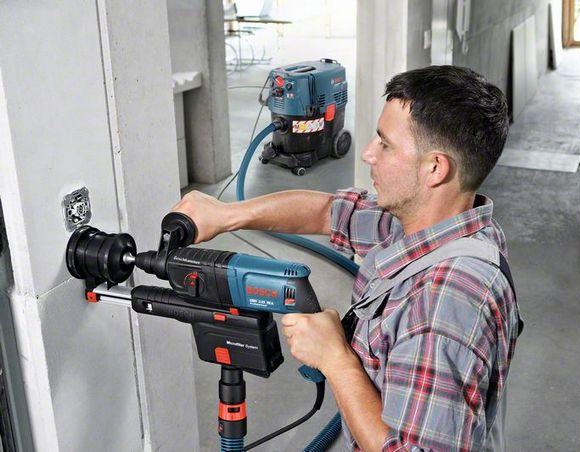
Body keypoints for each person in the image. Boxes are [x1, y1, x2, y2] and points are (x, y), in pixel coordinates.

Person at [172, 65, 521, 451]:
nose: (368, 153)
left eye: (385, 144)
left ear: (435, 168)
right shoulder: (436, 223)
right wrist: (226, 215)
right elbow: (329, 212)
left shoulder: (444, 302)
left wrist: (335, 358)